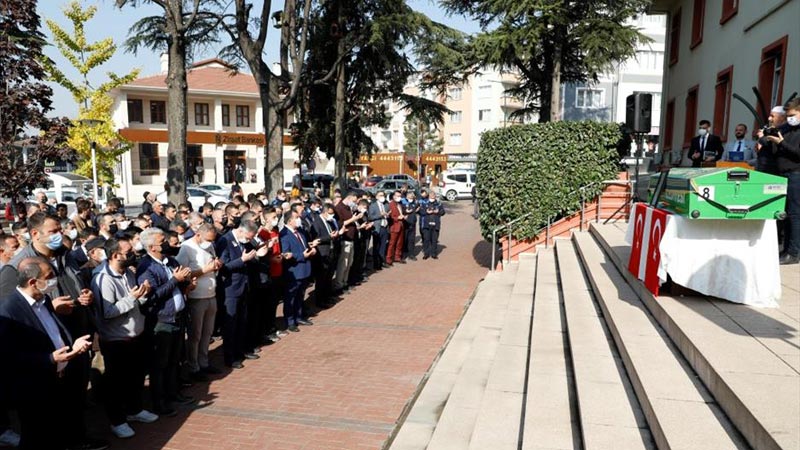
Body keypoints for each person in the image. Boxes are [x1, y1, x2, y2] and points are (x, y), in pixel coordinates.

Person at [0, 257, 96, 450]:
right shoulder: (9, 311)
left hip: (58, 380)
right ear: (33, 282)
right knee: (37, 437)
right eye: (49, 276)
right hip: (34, 389)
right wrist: (49, 359)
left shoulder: (43, 301)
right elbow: (8, 357)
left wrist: (72, 345)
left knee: (58, 433)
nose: (54, 280)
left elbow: (54, 331)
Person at [91, 238, 158, 439]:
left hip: (135, 335)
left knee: (136, 378)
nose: (133, 254)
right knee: (116, 383)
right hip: (116, 340)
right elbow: (107, 312)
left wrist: (143, 294)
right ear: (115, 255)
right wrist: (133, 298)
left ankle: (135, 410)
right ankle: (117, 421)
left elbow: (134, 300)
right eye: (128, 252)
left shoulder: (128, 272)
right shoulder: (102, 278)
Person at [136, 227, 194, 416]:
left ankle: (173, 393)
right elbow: (152, 297)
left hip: (178, 316)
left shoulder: (170, 261)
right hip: (161, 321)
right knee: (159, 364)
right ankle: (159, 402)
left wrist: (186, 281)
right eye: (163, 242)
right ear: (152, 247)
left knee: (174, 360)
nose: (167, 243)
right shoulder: (146, 268)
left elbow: (179, 282)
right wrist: (175, 280)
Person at [176, 223, 223, 379]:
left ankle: (204, 362)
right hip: (196, 297)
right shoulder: (186, 248)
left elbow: (212, 262)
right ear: (198, 235)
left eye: (212, 240)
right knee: (195, 334)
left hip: (211, 293)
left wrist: (216, 265)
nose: (210, 243)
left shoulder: (209, 246)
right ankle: (193, 366)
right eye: (207, 239)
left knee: (207, 332)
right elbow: (182, 273)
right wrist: (205, 270)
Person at [216, 220, 259, 369]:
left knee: (242, 322)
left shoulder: (243, 241)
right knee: (230, 324)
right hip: (230, 289)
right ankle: (230, 357)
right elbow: (223, 267)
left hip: (243, 286)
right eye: (248, 237)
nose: (248, 240)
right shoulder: (225, 240)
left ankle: (240, 351)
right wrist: (242, 260)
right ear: (240, 231)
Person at [764, 97, 800, 265]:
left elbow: (796, 153)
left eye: (793, 114)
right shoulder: (785, 128)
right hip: (782, 174)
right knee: (784, 215)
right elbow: (775, 149)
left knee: (795, 215)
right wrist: (769, 138)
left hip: (796, 174)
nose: (790, 118)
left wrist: (782, 142)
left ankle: (794, 252)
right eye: (787, 115)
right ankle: (785, 250)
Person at [280, 210, 317, 332]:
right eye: (296, 218)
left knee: (300, 295)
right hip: (294, 271)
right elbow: (286, 254)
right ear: (290, 220)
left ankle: (299, 316)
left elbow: (305, 246)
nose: (299, 220)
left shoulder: (300, 232)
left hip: (304, 269)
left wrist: (311, 250)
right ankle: (290, 321)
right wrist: (302, 255)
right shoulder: (284, 234)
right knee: (290, 297)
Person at [333, 192, 363, 293]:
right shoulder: (339, 208)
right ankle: (339, 284)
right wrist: (353, 219)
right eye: (354, 201)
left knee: (349, 263)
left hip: (352, 238)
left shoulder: (348, 208)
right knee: (343, 263)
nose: (355, 203)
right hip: (345, 238)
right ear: (350, 197)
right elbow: (340, 223)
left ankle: (345, 282)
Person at [310, 203, 339, 307]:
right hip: (322, 254)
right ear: (325, 212)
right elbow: (316, 238)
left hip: (330, 252)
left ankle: (327, 297)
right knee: (321, 279)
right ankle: (320, 300)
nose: (332, 216)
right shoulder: (317, 222)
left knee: (328, 277)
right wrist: (329, 237)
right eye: (330, 213)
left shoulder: (329, 222)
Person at [756, 106, 789, 175]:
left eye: (772, 116)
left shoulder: (785, 130)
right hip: (764, 168)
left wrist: (762, 137)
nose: (769, 118)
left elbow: (771, 143)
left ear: (782, 117)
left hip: (773, 171)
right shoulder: (774, 128)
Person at [419, 191, 446, 259]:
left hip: (435, 224)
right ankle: (426, 254)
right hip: (426, 224)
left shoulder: (438, 203)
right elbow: (420, 212)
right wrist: (426, 212)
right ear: (429, 196)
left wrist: (438, 212)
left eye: (433, 195)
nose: (432, 196)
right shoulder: (424, 203)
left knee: (434, 240)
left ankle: (434, 253)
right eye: (431, 195)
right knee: (426, 239)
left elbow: (443, 212)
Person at [368, 192, 390, 270]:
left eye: (383, 195)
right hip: (377, 227)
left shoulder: (386, 205)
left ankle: (381, 262)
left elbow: (388, 214)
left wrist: (387, 215)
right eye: (380, 195)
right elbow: (370, 217)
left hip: (385, 227)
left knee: (383, 246)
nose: (382, 197)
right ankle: (376, 264)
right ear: (377, 197)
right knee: (376, 246)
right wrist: (380, 215)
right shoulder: (373, 206)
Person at [386, 191, 406, 265]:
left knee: (399, 243)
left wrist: (403, 216)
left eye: (400, 196)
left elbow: (401, 213)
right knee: (392, 243)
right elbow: (390, 216)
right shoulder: (391, 204)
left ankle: (397, 256)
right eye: (397, 196)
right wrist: (398, 218)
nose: (399, 197)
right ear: (393, 196)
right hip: (394, 226)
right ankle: (389, 258)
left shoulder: (399, 204)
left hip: (401, 225)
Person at [402, 192, 419, 260]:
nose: (411, 197)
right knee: (404, 240)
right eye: (409, 196)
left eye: (412, 196)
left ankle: (411, 254)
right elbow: (401, 211)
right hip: (405, 224)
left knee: (411, 240)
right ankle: (403, 255)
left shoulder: (415, 203)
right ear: (406, 197)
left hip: (413, 224)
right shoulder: (403, 203)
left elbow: (418, 208)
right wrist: (405, 212)